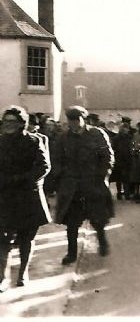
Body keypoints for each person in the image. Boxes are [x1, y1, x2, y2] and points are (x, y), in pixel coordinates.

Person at [53, 106, 115, 265]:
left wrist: (102, 176)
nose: (74, 124)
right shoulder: (63, 138)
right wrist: (62, 178)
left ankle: (102, 242)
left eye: (77, 120)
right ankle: (71, 253)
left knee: (98, 218)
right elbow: (57, 160)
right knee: (71, 223)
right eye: (71, 120)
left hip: (93, 183)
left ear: (84, 119)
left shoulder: (97, 134)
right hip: (72, 186)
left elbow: (108, 157)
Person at [0, 106, 52, 291]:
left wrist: (21, 179)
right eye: (5, 121)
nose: (7, 125)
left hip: (27, 195)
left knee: (26, 238)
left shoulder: (34, 141)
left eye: (12, 122)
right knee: (3, 238)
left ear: (22, 124)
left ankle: (23, 273)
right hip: (5, 196)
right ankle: (3, 277)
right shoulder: (1, 142)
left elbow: (44, 167)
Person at [110, 117, 133, 200]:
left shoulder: (130, 138)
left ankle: (126, 193)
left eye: (127, 128)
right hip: (119, 160)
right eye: (124, 128)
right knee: (119, 178)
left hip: (127, 160)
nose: (126, 130)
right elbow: (113, 148)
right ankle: (119, 193)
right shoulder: (116, 138)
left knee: (126, 178)